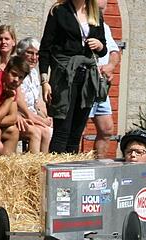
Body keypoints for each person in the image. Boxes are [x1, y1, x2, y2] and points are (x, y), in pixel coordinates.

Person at [39, 0, 108, 153]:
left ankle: (71, 171)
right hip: (64, 76)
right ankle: (57, 172)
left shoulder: (95, 13)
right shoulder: (58, 11)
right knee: (62, 131)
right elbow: (45, 49)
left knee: (76, 133)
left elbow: (103, 50)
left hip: (87, 77)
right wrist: (44, 81)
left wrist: (99, 45)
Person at [89, 0, 121, 158]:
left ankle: (98, 165)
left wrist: (110, 66)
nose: (101, 13)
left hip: (100, 86)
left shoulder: (105, 27)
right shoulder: (81, 24)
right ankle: (71, 167)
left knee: (106, 129)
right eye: (98, 10)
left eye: (103, 9)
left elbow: (114, 51)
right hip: (84, 83)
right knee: (76, 127)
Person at [17, 37, 53, 153]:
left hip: (32, 116)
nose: (34, 58)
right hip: (20, 116)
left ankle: (44, 165)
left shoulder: (33, 72)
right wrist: (40, 121)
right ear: (21, 53)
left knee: (50, 130)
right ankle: (34, 166)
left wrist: (46, 117)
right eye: (30, 53)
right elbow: (19, 104)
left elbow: (38, 102)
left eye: (37, 54)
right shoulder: (16, 72)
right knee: (40, 131)